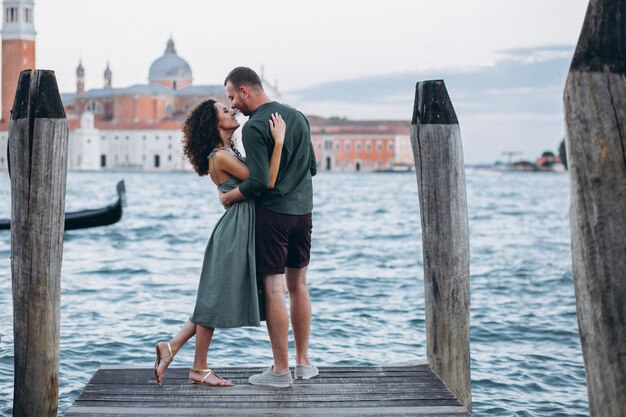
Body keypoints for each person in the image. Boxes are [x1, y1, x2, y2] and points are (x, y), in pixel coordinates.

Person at [153, 99, 286, 387]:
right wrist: (278, 142)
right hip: (234, 231)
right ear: (215, 125)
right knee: (211, 300)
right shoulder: (221, 156)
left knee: (210, 298)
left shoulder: (227, 152)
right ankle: (198, 368)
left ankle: (171, 348)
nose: (232, 111)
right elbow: (266, 182)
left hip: (237, 227)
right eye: (225, 111)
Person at [220, 67, 318, 388]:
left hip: (273, 216)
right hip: (303, 213)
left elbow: (261, 182)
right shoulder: (298, 117)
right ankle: (303, 363)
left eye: (233, 96)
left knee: (275, 289)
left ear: (246, 91)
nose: (233, 104)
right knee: (299, 286)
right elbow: (312, 168)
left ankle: (279, 371)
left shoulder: (254, 127)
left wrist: (232, 195)